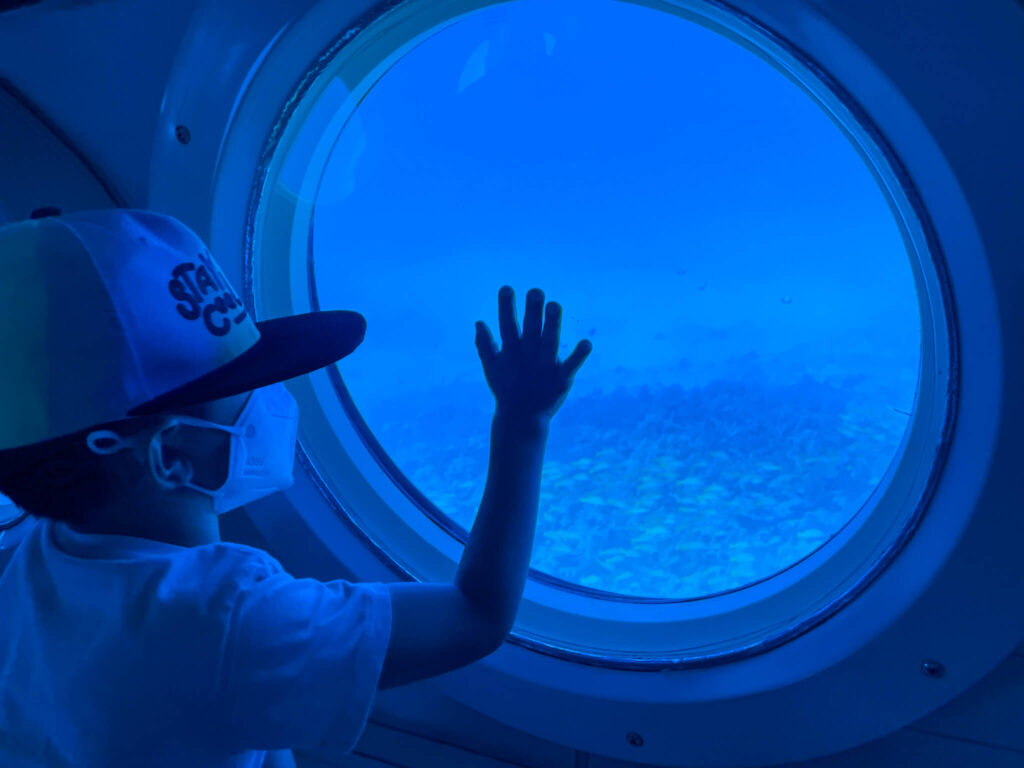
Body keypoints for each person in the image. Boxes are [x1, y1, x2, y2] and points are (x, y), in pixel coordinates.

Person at [0, 208, 592, 767]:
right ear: (171, 454)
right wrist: (522, 424)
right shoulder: (229, 619)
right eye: (246, 384)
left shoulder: (33, 560)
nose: (271, 400)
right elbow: (476, 615)